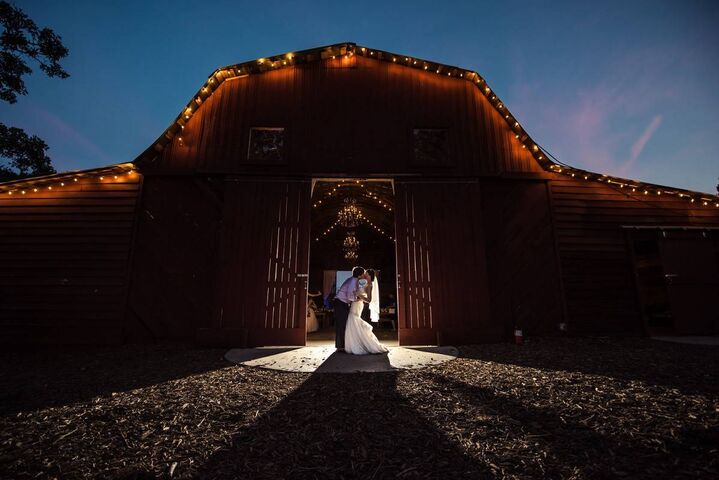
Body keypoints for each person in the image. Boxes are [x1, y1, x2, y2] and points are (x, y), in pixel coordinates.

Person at [345, 271, 388, 355]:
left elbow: (368, 300)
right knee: (353, 320)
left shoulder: (369, 285)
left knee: (353, 319)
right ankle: (356, 342)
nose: (364, 274)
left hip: (358, 303)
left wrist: (359, 295)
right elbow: (357, 291)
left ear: (370, 276)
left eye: (367, 273)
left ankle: (359, 343)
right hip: (356, 302)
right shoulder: (362, 282)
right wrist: (357, 295)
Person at [334, 266, 364, 350]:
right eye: (363, 274)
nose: (363, 276)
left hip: (342, 303)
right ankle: (340, 346)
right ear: (359, 275)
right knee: (341, 324)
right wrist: (358, 299)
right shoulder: (353, 281)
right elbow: (349, 296)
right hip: (340, 302)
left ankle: (342, 345)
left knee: (343, 324)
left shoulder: (353, 280)